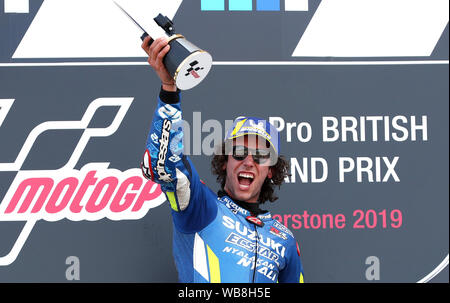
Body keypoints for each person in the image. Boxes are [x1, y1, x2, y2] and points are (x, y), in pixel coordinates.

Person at [140, 36, 305, 283]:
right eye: (239, 152)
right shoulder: (202, 207)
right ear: (225, 161)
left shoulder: (284, 239)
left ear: (271, 170)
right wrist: (169, 90)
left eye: (260, 156)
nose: (248, 161)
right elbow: (164, 166)